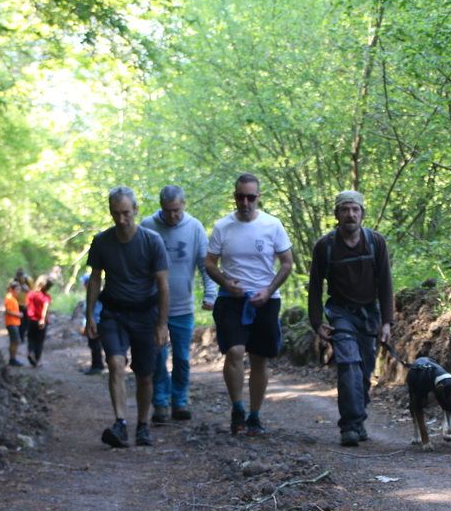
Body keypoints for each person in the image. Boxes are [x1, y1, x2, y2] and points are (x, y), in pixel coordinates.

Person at [205, 173, 294, 436]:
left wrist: (269, 290)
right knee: (234, 351)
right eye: (240, 196)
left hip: (266, 300)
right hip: (230, 300)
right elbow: (210, 263)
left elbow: (287, 263)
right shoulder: (222, 226)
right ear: (234, 196)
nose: (245, 202)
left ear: (258, 197)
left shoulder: (272, 225)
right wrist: (225, 282)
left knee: (259, 358)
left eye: (250, 197)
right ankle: (237, 409)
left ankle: (255, 415)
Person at [84, 186, 170, 448]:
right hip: (114, 312)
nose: (121, 219)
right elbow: (95, 280)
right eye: (115, 213)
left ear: (135, 210)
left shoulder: (152, 241)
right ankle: (120, 424)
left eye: (125, 213)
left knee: (145, 375)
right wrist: (90, 316)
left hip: (145, 314)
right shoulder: (101, 241)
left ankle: (142, 425)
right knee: (115, 363)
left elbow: (163, 284)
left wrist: (162, 324)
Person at [307, 190, 395, 446]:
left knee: (364, 370)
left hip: (369, 314)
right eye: (345, 209)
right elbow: (315, 286)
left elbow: (385, 283)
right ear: (337, 214)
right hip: (340, 313)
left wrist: (387, 321)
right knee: (348, 364)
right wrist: (316, 322)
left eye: (355, 209)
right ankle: (349, 426)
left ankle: (358, 418)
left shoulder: (375, 242)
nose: (350, 214)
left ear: (362, 213)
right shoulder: (325, 245)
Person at [140, 185, 217, 423]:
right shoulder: (147, 225)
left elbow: (205, 264)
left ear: (184, 204)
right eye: (167, 210)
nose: (172, 215)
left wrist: (210, 293)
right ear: (160, 207)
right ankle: (160, 403)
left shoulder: (194, 227)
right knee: (158, 357)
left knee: (182, 358)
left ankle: (180, 400)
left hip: (183, 306)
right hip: (154, 308)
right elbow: (139, 265)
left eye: (176, 210)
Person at [79, 273, 105, 375]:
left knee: (95, 345)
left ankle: (97, 365)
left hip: (95, 323)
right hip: (97, 322)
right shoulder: (99, 295)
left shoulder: (95, 297)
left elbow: (92, 312)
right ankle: (98, 364)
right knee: (95, 344)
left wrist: (86, 324)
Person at [26, 275, 53, 366]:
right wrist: (43, 319)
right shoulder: (46, 297)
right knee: (39, 340)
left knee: (31, 338)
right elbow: (45, 308)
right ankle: (37, 359)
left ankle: (31, 352)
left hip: (31, 319)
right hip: (41, 321)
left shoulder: (31, 294)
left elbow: (28, 305)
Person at [4, 280, 24, 366]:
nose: (18, 292)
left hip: (14, 323)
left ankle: (13, 358)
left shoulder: (13, 298)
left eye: (19, 290)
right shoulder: (9, 298)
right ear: (11, 289)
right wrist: (18, 315)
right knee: (16, 341)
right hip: (11, 323)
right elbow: (7, 311)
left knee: (15, 341)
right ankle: (12, 359)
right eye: (17, 290)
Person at [14, 268, 33, 343]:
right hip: (17, 305)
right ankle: (21, 338)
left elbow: (34, 292)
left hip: (27, 304)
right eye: (18, 276)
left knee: (27, 322)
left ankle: (26, 335)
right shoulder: (14, 281)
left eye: (21, 275)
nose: (20, 277)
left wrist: (27, 290)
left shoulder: (28, 280)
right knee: (20, 322)